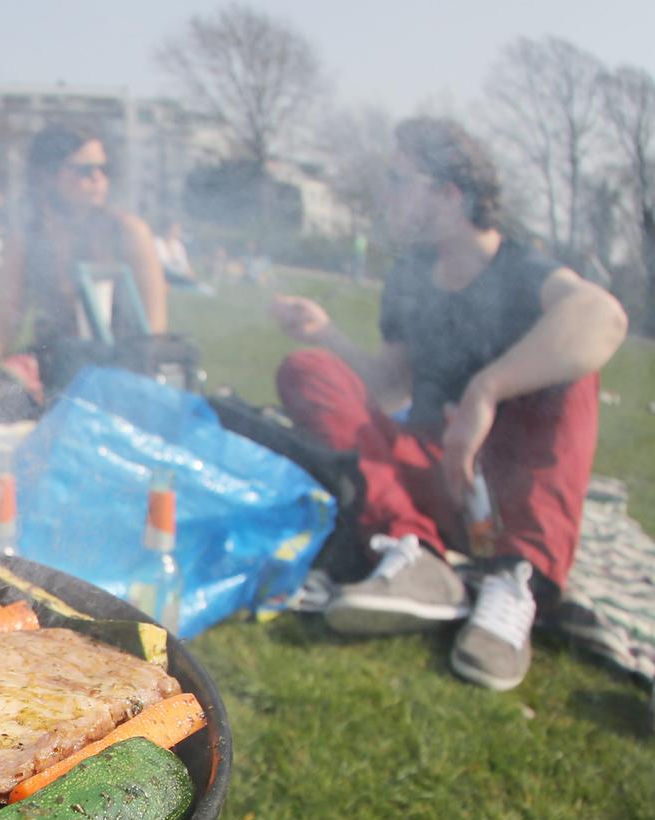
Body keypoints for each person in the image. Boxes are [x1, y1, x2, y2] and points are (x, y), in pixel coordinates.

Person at [269, 116, 628, 692]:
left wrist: (487, 391)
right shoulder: (411, 275)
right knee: (308, 372)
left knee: (576, 376)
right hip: (433, 472)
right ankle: (417, 556)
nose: (386, 194)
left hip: (510, 492)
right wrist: (325, 333)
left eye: (398, 178)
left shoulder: (520, 269)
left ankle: (514, 581)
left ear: (448, 194)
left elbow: (604, 317)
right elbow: (388, 388)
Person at [0, 128, 168, 417]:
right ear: (47, 176)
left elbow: (154, 334)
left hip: (120, 370)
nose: (98, 179)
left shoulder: (128, 233)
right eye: (84, 170)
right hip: (54, 367)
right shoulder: (28, 236)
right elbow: (6, 323)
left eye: (104, 169)